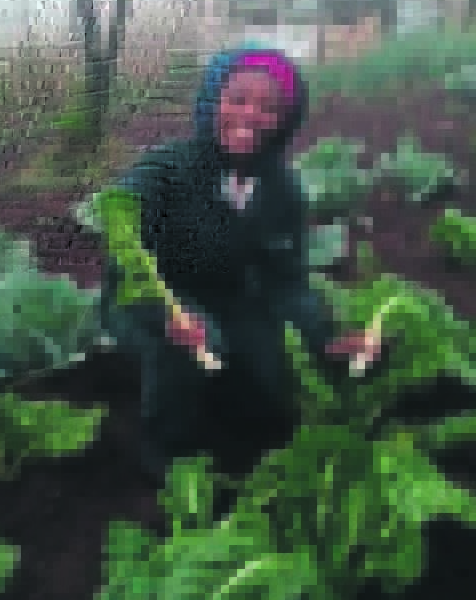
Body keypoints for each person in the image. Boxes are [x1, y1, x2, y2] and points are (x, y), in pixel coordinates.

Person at [99, 43, 383, 488]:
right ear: (212, 102)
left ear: (285, 121)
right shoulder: (167, 168)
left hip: (227, 298)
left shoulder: (282, 188)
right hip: (147, 300)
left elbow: (287, 281)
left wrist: (327, 336)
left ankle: (228, 427)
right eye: (238, 99)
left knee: (270, 399)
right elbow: (123, 231)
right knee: (193, 345)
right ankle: (168, 458)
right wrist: (164, 310)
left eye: (269, 108)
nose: (251, 115)